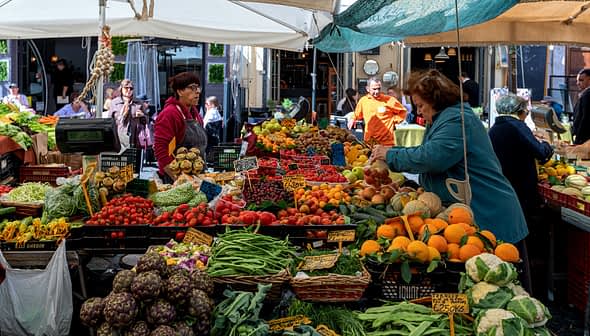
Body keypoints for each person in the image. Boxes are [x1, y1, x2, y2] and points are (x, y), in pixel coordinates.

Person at [370, 69, 528, 245]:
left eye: (421, 105)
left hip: (489, 213)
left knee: (495, 267)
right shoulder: (443, 118)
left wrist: (391, 154)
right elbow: (427, 150)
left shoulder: (457, 120)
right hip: (469, 213)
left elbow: (432, 157)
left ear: (436, 100)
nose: (419, 112)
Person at [489, 93, 553, 218]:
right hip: (521, 187)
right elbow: (541, 154)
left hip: (504, 184)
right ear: (520, 111)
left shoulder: (495, 128)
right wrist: (546, 144)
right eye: (526, 112)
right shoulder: (518, 126)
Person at [154, 72, 207, 182]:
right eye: (192, 88)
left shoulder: (195, 113)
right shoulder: (169, 114)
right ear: (179, 91)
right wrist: (179, 180)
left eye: (198, 87)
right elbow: (161, 151)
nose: (197, 91)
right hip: (177, 179)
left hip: (198, 176)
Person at [348, 77, 407, 146]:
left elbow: (403, 111)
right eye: (374, 89)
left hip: (387, 142)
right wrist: (352, 119)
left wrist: (394, 120)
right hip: (369, 141)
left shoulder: (389, 100)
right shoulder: (363, 101)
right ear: (368, 89)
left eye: (379, 89)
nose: (377, 91)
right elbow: (357, 114)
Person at [108, 79, 146, 149]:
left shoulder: (138, 103)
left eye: (131, 88)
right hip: (119, 137)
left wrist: (142, 116)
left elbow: (146, 121)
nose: (128, 90)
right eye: (126, 88)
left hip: (135, 138)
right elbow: (110, 121)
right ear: (121, 89)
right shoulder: (114, 102)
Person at [572, 68, 590, 145]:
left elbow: (585, 119)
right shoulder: (584, 94)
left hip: (584, 139)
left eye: (581, 80)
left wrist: (578, 139)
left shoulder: (587, 95)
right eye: (577, 81)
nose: (578, 83)